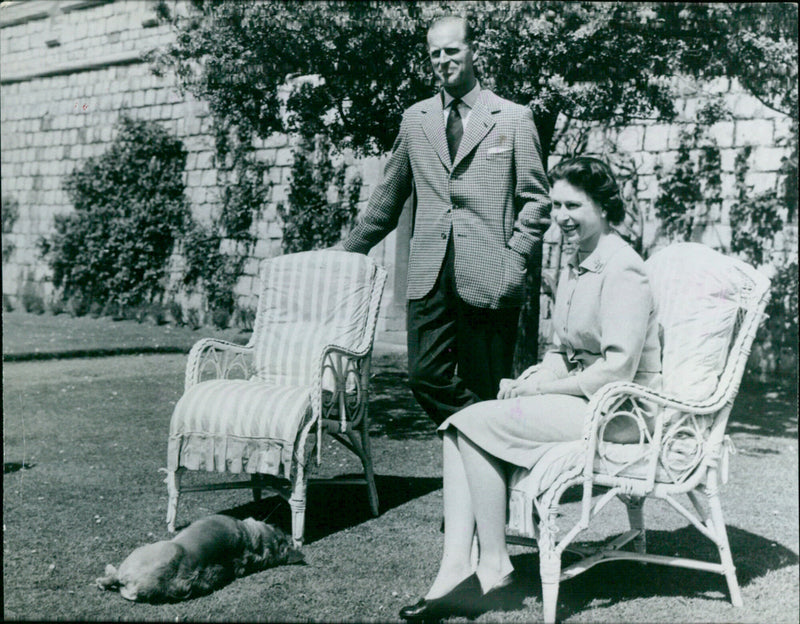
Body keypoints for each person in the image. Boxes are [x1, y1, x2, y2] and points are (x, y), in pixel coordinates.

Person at [398, 156, 663, 621]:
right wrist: (532, 378)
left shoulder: (624, 268)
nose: (561, 216)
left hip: (621, 411)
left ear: (603, 206)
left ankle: (494, 565)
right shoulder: (577, 260)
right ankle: (457, 567)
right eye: (556, 205)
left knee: (473, 422)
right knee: (457, 423)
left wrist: (546, 391)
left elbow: (617, 370)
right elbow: (562, 348)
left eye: (573, 206)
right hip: (585, 397)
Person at [339, 15, 551, 426]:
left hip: (491, 275)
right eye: (435, 53)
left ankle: (484, 481)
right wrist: (347, 252)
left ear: (473, 51)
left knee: (486, 383)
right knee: (424, 377)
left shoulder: (512, 118)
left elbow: (536, 201)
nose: (443, 60)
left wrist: (515, 260)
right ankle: (494, 432)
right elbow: (386, 199)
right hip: (428, 276)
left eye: (452, 50)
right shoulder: (415, 121)